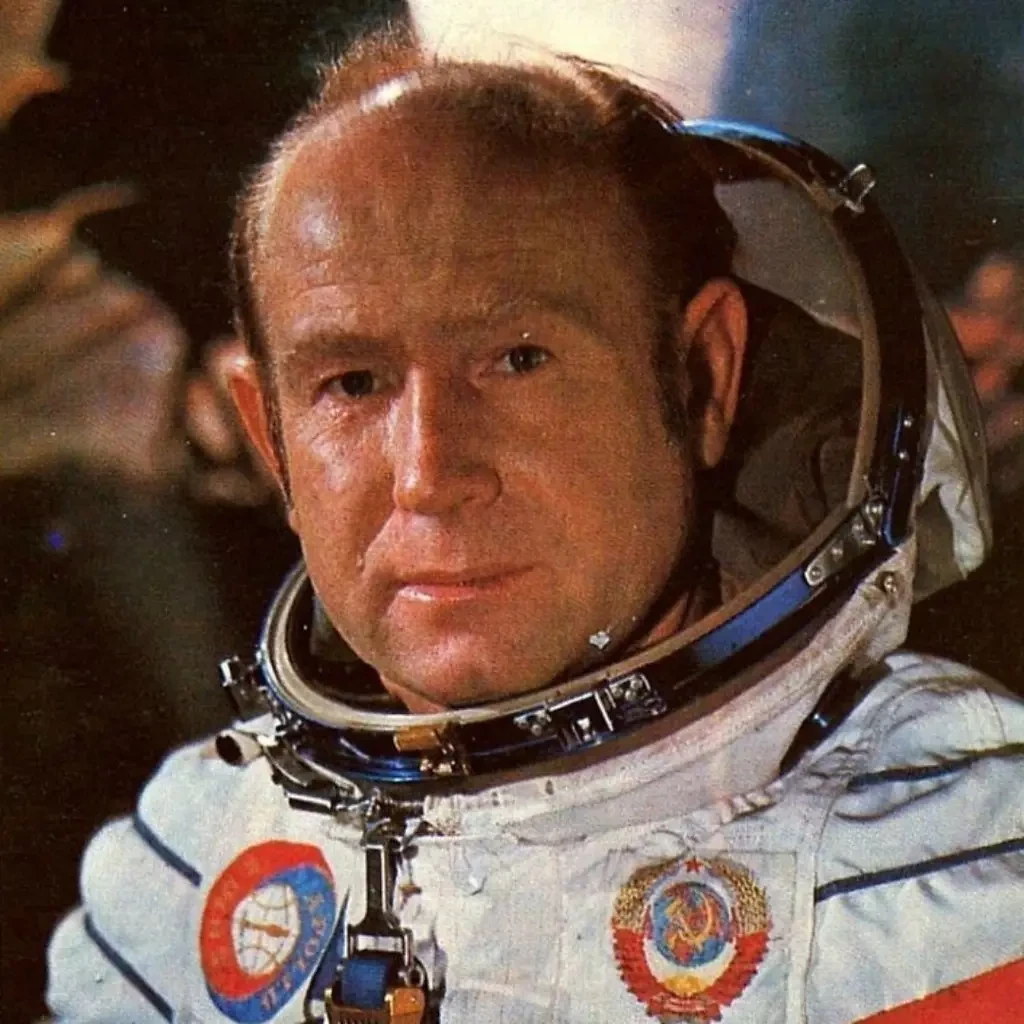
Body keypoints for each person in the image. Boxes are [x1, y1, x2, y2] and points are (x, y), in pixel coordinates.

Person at [47, 28, 1022, 1024]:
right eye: (353, 382)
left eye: (517, 360)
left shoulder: (953, 894)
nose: (430, 475)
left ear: (701, 377)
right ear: (273, 443)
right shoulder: (182, 882)